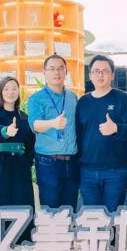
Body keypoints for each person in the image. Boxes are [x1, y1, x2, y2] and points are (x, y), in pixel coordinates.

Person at [75, 55, 127, 212]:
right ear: (90, 75)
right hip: (87, 170)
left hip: (115, 171)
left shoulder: (124, 99)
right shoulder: (82, 102)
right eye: (96, 71)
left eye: (105, 71)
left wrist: (116, 128)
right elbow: (78, 134)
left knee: (112, 217)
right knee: (92, 218)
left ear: (112, 75)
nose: (100, 75)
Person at [0, 77, 36, 244]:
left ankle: (20, 240)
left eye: (14, 88)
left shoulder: (24, 117)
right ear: (0, 92)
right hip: (0, 164)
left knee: (21, 201)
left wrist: (27, 161)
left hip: (20, 166)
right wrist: (6, 131)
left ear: (18, 92)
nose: (11, 92)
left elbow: (31, 143)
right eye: (6, 89)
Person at [27, 55, 79, 210]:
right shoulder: (36, 98)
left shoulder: (72, 97)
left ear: (66, 72)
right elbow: (35, 125)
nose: (56, 72)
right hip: (48, 163)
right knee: (50, 212)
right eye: (52, 69)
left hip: (72, 161)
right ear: (44, 73)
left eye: (60, 68)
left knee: (70, 210)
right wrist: (53, 123)